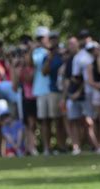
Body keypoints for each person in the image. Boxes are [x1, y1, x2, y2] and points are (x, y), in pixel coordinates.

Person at [42, 31, 67, 153]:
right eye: (51, 39)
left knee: (65, 119)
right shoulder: (48, 56)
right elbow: (44, 72)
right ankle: (58, 146)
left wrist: (62, 55)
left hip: (65, 90)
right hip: (54, 90)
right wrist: (50, 58)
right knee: (55, 120)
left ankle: (65, 145)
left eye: (55, 38)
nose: (53, 41)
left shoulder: (63, 53)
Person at [30, 26, 53, 155]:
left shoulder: (54, 49)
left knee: (56, 119)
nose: (40, 40)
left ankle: (61, 146)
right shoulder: (37, 52)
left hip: (54, 88)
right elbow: (32, 64)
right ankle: (46, 148)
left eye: (42, 38)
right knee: (44, 120)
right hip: (41, 89)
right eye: (38, 38)